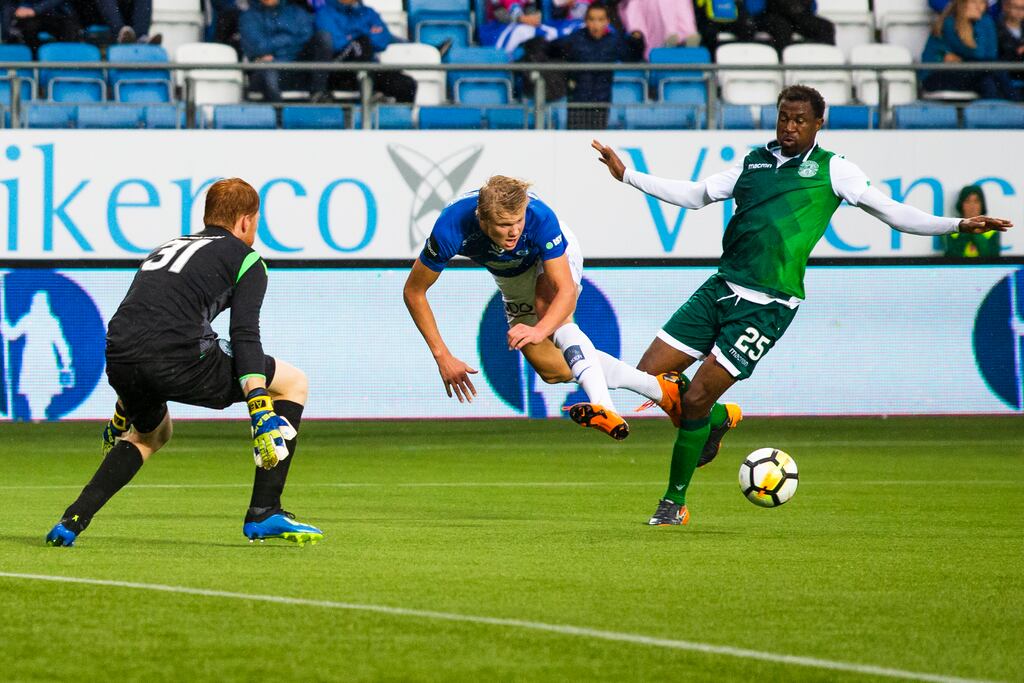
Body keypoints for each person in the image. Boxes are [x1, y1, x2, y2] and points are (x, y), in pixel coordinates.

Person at [591, 84, 1013, 526]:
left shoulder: (834, 170)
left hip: (768, 305)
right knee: (650, 376)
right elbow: (696, 195)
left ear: (818, 124)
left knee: (693, 397)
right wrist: (627, 176)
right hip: (719, 288)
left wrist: (958, 224)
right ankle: (717, 418)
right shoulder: (753, 161)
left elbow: (891, 212)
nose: (789, 127)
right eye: (783, 118)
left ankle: (673, 502)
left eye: (799, 120)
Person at [45, 178, 323, 547]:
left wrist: (125, 402)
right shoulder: (248, 260)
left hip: (119, 354)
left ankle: (73, 519)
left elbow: (144, 323)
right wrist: (259, 404)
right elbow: (244, 335)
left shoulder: (168, 247)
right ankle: (265, 510)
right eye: (256, 222)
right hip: (178, 357)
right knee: (293, 383)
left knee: (151, 434)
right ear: (245, 221)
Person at [403, 175, 687, 441]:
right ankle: (659, 388)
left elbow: (565, 291)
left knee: (547, 304)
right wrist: (442, 356)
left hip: (548, 258)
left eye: (518, 221)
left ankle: (603, 406)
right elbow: (414, 292)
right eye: (504, 225)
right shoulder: (451, 228)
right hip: (509, 276)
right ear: (483, 220)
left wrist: (541, 329)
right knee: (555, 371)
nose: (514, 230)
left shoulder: (539, 218)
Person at [550, 2, 645, 129]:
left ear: (607, 21)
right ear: (586, 21)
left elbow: (632, 56)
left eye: (600, 20)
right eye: (592, 19)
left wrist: (637, 41)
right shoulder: (575, 39)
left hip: (601, 103)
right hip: (577, 101)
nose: (596, 24)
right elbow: (552, 50)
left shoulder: (614, 41)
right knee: (575, 143)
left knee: (596, 144)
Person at [315, 0, 416, 103]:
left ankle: (398, 118)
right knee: (362, 43)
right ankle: (368, 93)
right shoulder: (325, 13)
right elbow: (337, 44)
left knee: (406, 84)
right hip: (340, 71)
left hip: (369, 67)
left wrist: (354, 36)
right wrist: (366, 34)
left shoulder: (368, 12)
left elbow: (383, 40)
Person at [922, 0, 1019, 100]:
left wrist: (984, 23)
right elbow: (976, 54)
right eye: (974, 2)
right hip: (937, 77)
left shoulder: (984, 22)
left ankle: (1002, 112)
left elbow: (990, 55)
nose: (979, 7)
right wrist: (973, 24)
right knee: (992, 70)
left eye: (982, 3)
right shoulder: (950, 23)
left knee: (988, 81)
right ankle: (1017, 104)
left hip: (970, 72)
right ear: (961, 4)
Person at [240, 0, 333, 103]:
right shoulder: (248, 16)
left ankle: (318, 94)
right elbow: (257, 48)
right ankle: (278, 115)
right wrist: (291, 40)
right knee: (268, 70)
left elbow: (307, 36)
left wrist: (276, 51)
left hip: (297, 67)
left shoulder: (297, 12)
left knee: (323, 37)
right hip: (268, 70)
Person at [944, 184, 1003, 257]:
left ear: (982, 204)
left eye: (976, 201)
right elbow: (951, 257)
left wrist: (974, 232)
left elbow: (992, 258)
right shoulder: (951, 228)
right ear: (961, 205)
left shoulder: (992, 230)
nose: (972, 206)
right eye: (967, 201)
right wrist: (967, 228)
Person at [1, 0, 80, 50]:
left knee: (69, 30)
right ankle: (33, 59)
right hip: (30, 20)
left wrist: (34, 10)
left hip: (60, 16)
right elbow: (7, 7)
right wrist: (6, 33)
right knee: (27, 28)